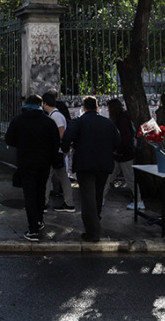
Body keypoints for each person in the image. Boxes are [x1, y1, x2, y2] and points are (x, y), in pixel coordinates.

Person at [61, 96, 120, 242]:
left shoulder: (79, 122)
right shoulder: (108, 123)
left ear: (84, 108)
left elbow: (67, 138)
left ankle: (93, 231)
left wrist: (68, 147)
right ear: (97, 107)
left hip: (85, 164)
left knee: (88, 198)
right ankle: (96, 221)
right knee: (98, 195)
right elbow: (117, 143)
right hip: (104, 165)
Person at [5, 94, 61, 241]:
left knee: (29, 195)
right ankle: (39, 220)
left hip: (26, 162)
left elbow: (9, 139)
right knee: (40, 192)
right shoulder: (48, 122)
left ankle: (33, 229)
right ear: (40, 104)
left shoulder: (18, 120)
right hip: (43, 163)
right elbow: (56, 144)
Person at [102, 98, 143, 210]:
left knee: (123, 178)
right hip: (122, 154)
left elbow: (125, 139)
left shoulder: (121, 120)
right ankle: (138, 200)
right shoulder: (123, 118)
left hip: (123, 154)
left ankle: (139, 200)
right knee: (114, 178)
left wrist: (117, 149)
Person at [41, 91, 75, 213]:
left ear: (45, 103)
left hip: (55, 152)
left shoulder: (55, 116)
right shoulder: (55, 115)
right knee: (62, 177)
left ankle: (44, 203)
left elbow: (61, 133)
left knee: (48, 177)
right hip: (57, 152)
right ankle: (69, 202)